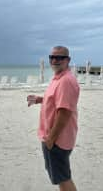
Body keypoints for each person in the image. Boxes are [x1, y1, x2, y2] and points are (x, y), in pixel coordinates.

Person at [27, 46, 80, 191]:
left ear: (67, 60)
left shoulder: (66, 81)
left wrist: (51, 138)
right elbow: (57, 101)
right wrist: (40, 100)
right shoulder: (58, 78)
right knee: (59, 177)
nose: (55, 60)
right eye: (52, 57)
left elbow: (64, 113)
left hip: (57, 139)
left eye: (60, 57)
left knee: (63, 178)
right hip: (53, 137)